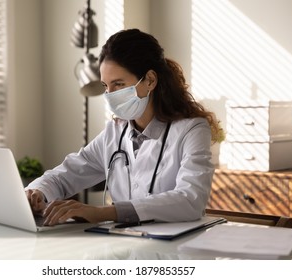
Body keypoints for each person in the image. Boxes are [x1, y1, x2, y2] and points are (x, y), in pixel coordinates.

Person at [26, 29, 223, 226]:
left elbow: (191, 199)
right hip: (125, 246)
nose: (110, 95)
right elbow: (64, 176)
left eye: (119, 84)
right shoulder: (114, 132)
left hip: (175, 249)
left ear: (150, 80)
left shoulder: (192, 129)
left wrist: (102, 213)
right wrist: (37, 193)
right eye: (105, 86)